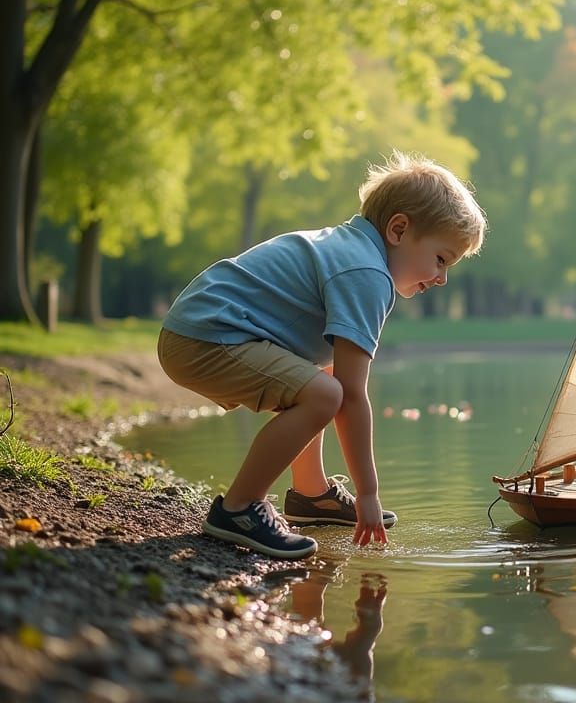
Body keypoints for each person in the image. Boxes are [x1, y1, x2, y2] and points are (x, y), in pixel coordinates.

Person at [157, 151, 486, 559]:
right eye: (440, 259)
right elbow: (352, 396)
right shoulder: (366, 274)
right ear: (398, 229)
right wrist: (368, 494)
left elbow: (336, 373)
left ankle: (311, 496)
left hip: (197, 330)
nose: (442, 279)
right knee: (326, 394)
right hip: (206, 338)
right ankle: (238, 508)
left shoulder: (349, 248)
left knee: (322, 379)